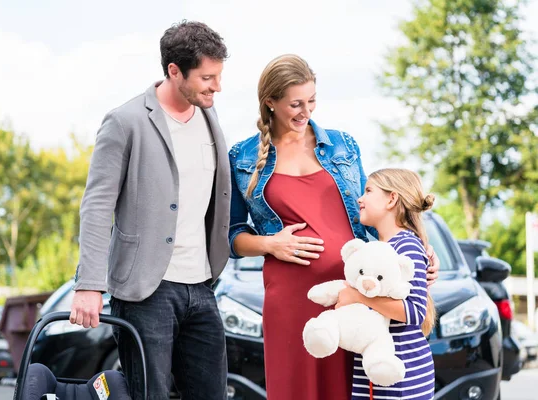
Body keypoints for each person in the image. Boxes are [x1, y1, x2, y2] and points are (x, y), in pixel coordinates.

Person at [228, 54, 439, 400]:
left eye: (311, 101)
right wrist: (270, 245)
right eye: (295, 103)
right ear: (270, 101)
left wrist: (416, 250)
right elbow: (232, 236)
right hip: (290, 297)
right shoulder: (243, 157)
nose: (305, 111)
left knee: (349, 388)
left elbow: (371, 216)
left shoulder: (343, 145)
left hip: (353, 294)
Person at [69, 21, 231, 400]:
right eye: (208, 78)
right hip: (147, 290)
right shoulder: (125, 121)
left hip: (202, 285)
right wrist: (90, 284)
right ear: (174, 71)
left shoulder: (210, 117)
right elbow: (96, 206)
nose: (217, 87)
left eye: (219, 76)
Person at [336, 168, 436, 399]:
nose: (360, 198)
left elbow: (415, 312)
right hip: (374, 374)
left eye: (369, 191)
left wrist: (358, 296)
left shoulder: (406, 245)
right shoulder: (379, 248)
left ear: (392, 199)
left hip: (403, 375)